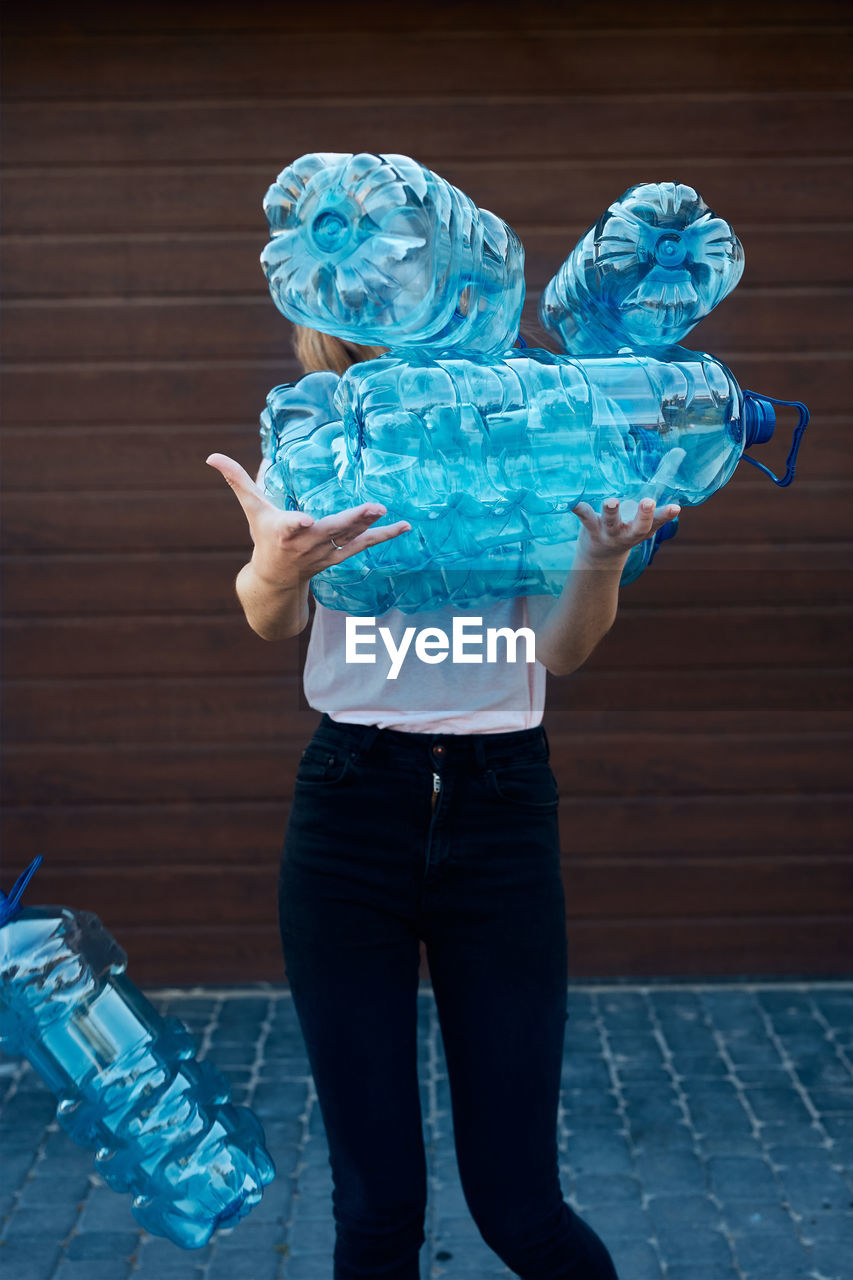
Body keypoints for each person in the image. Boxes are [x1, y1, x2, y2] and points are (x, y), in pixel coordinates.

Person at [206, 325, 680, 1280]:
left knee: (520, 1209)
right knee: (377, 1210)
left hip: (498, 806)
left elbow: (557, 650)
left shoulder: (526, 423)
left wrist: (596, 562)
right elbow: (271, 616)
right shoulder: (317, 436)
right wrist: (276, 569)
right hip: (350, 810)